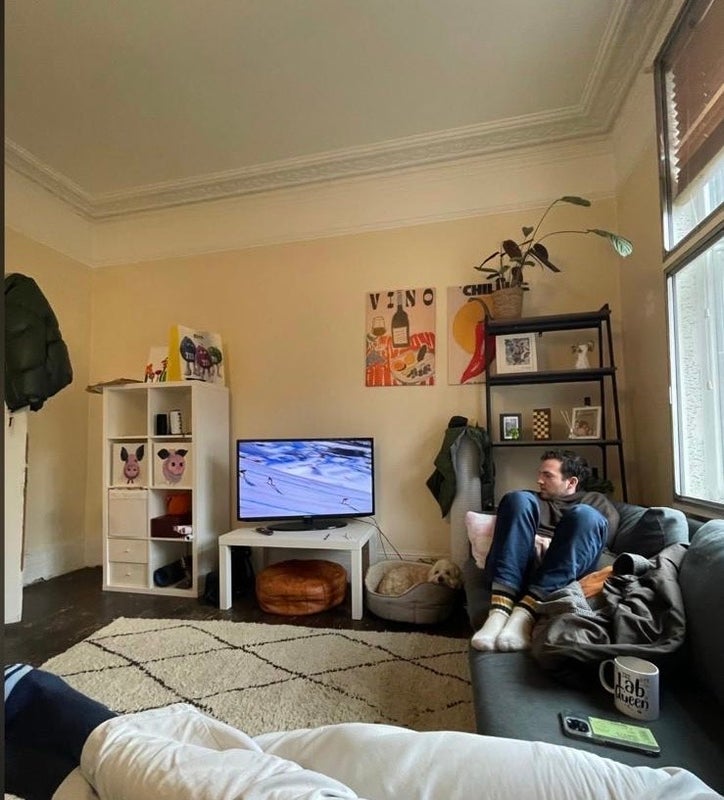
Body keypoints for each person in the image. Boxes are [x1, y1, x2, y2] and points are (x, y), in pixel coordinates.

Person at [471, 449, 619, 652]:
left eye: (548, 475)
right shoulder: (530, 501)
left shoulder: (596, 502)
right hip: (519, 570)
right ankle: (499, 610)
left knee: (585, 515)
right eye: (540, 474)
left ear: (571, 482)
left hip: (565, 573)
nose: (539, 480)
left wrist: (553, 544)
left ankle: (525, 614)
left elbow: (597, 545)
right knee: (517, 498)